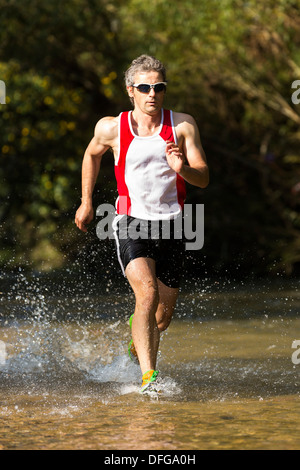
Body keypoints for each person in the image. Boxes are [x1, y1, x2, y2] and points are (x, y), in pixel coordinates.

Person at [75, 55, 209, 394]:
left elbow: (203, 178)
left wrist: (183, 170)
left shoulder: (182, 125)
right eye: (145, 87)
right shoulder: (111, 127)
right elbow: (92, 154)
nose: (153, 93)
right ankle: (150, 378)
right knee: (146, 294)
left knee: (161, 317)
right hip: (130, 222)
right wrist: (87, 201)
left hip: (174, 225)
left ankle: (137, 337)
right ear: (131, 90)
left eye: (159, 87)